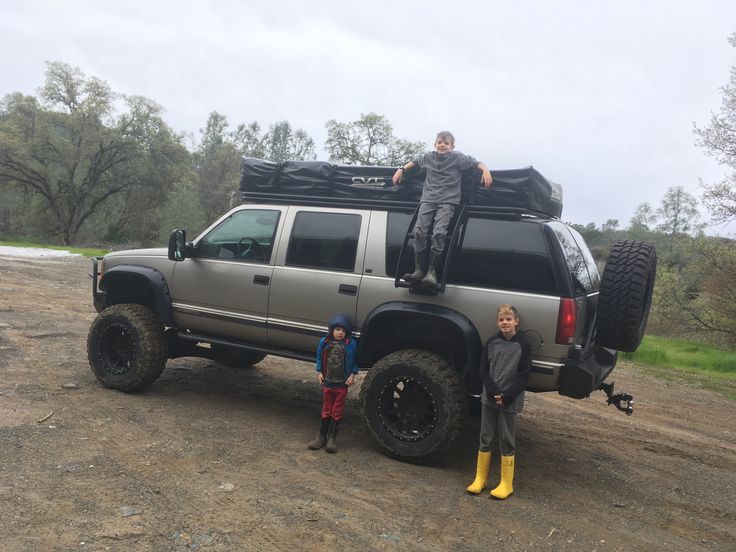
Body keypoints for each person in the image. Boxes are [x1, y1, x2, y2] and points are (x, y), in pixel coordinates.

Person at [392, 131, 492, 287]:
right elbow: (415, 162)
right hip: (428, 199)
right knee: (419, 231)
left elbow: (475, 163)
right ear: (435, 144)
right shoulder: (428, 157)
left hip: (448, 200)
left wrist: (485, 170)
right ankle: (419, 270)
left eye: (446, 143)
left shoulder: (458, 158)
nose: (442, 145)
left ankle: (432, 272)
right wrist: (401, 169)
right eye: (439, 142)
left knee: (439, 233)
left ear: (452, 146)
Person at [467, 304, 532, 499]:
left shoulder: (524, 344)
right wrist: (493, 391)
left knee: (506, 438)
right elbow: (483, 370)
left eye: (509, 319)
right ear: (497, 322)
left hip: (510, 399)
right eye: (502, 319)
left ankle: (506, 483)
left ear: (516, 322)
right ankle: (480, 478)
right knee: (485, 436)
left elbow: (524, 373)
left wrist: (508, 396)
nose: (505, 322)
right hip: (490, 397)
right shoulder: (491, 342)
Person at [307, 314, 359, 453]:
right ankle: (321, 436)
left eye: (343, 330)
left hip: (342, 384)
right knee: (326, 409)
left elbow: (355, 360)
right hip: (328, 383)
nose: (340, 332)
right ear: (331, 330)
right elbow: (319, 357)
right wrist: (319, 372)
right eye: (337, 329)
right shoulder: (324, 342)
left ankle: (332, 438)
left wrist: (353, 374)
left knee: (337, 410)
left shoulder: (351, 344)